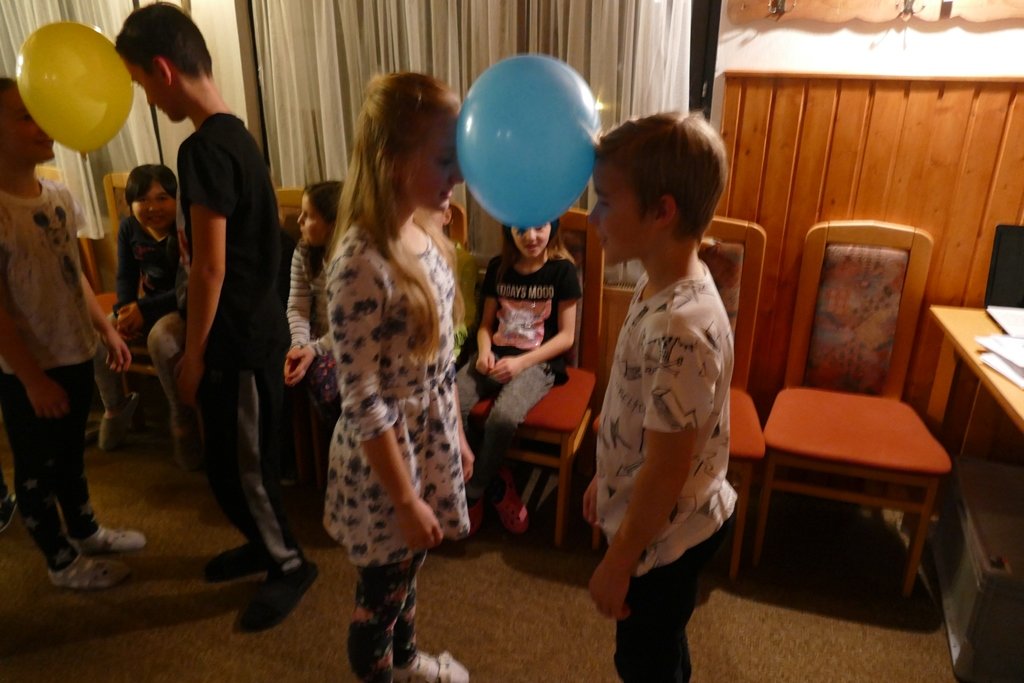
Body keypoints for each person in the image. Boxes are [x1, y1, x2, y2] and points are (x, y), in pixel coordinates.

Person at [116, 3, 317, 632]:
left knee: (245, 468)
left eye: (142, 84)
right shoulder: (237, 136)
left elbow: (209, 268)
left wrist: (193, 357)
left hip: (241, 342)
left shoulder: (203, 149)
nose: (149, 99)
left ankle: (289, 564)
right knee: (230, 465)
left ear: (163, 70)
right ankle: (262, 545)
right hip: (243, 336)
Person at [323, 72, 473, 683]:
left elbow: (442, 360)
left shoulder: (428, 231)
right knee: (380, 598)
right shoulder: (361, 260)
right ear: (392, 159)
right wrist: (406, 499)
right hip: (387, 461)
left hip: (427, 440)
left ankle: (407, 662)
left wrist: (457, 434)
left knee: (408, 571)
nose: (458, 174)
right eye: (444, 159)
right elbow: (362, 397)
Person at [583, 112, 737, 683]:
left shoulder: (680, 327)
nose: (593, 216)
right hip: (661, 516)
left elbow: (667, 470)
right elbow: (642, 410)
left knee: (644, 660)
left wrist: (619, 560)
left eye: (604, 201)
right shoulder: (660, 281)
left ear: (661, 211)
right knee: (664, 643)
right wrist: (608, 479)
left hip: (666, 535)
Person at [0, 77, 146, 589]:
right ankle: (60, 561)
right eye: (25, 116)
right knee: (36, 467)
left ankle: (84, 530)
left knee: (69, 456)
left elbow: (73, 274)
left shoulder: (59, 194)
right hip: (28, 370)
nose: (43, 125)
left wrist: (106, 330)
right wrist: (32, 380)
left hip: (74, 351)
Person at [456, 220, 580, 535]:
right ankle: (493, 475)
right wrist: (484, 351)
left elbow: (566, 338)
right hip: (494, 357)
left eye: (539, 228)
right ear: (509, 232)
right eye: (521, 229)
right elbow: (485, 326)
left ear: (553, 227)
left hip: (538, 364)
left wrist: (521, 363)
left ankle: (475, 490)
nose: (531, 236)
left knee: (503, 417)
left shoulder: (562, 271)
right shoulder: (499, 267)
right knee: (453, 400)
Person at [92, 164, 201, 469]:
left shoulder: (187, 229)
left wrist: (143, 310)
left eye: (162, 198)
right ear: (130, 204)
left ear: (177, 199)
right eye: (142, 200)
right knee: (101, 331)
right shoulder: (130, 228)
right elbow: (125, 276)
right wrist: (123, 312)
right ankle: (115, 407)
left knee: (160, 339)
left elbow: (189, 288)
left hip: (182, 307)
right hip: (146, 306)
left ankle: (182, 415)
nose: (152, 207)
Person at [284, 180, 343, 423]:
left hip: (344, 340)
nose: (299, 221)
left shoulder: (350, 259)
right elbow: (298, 306)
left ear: (332, 225)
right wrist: (299, 344)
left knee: (332, 388)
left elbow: (350, 324)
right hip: (317, 337)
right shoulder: (304, 252)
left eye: (308, 216)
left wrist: (315, 349)